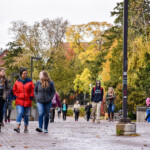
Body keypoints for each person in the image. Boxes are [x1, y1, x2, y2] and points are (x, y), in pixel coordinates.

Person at [13, 69, 34, 133]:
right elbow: (14, 90)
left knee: (26, 115)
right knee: (20, 112)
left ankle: (25, 128)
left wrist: (31, 96)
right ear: (21, 74)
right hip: (19, 100)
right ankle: (18, 127)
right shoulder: (17, 82)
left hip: (27, 100)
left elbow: (32, 90)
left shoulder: (30, 82)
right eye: (24, 73)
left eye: (26, 73)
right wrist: (16, 95)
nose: (25, 74)